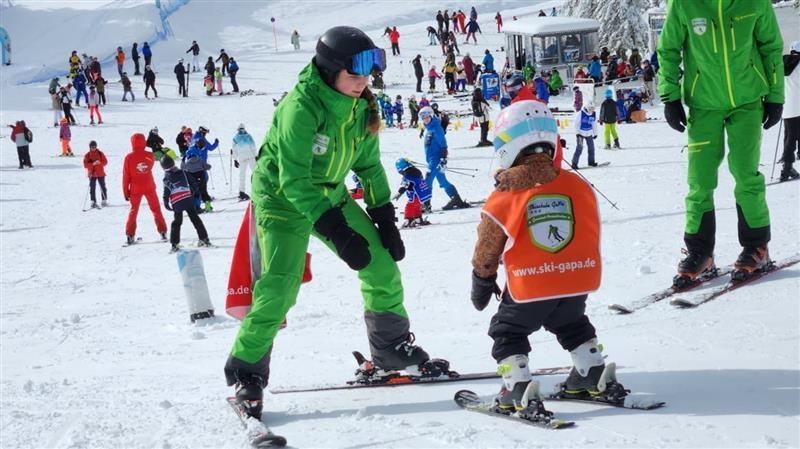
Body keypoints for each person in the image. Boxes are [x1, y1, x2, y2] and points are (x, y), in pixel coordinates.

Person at [224, 26, 448, 421]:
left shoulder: (361, 107)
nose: (364, 81)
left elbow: (369, 166)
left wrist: (384, 217)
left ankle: (390, 348)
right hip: (281, 200)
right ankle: (247, 372)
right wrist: (337, 231)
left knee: (381, 266)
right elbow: (294, 179)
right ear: (331, 70)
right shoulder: (300, 108)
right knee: (280, 287)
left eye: (369, 72)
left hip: (330, 193)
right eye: (355, 72)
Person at [472, 99, 625, 411]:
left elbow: (488, 246)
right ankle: (591, 371)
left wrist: (482, 278)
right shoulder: (577, 184)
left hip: (531, 283)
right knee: (571, 323)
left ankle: (516, 386)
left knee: (507, 331)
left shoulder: (507, 192)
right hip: (576, 280)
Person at [658, 0, 783, 282]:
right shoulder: (685, 4)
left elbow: (771, 47)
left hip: (748, 101)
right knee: (699, 180)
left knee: (746, 174)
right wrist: (670, 96)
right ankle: (700, 252)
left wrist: (776, 95)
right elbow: (668, 50)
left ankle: (756, 246)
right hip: (703, 104)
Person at [420, 106, 469, 210]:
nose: (425, 120)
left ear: (431, 116)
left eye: (427, 117)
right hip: (432, 159)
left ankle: (425, 204)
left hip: (436, 160)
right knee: (443, 181)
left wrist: (443, 159)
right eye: (423, 118)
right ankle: (456, 199)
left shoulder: (436, 128)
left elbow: (443, 145)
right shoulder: (429, 128)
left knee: (427, 180)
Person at [122, 133, 168, 244]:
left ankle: (130, 235)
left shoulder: (129, 157)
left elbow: (126, 176)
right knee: (156, 209)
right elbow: (149, 166)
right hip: (149, 185)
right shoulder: (150, 155)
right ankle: (163, 232)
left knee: (133, 210)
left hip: (135, 188)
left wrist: (125, 192)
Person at [160, 155, 210, 252]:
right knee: (195, 219)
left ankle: (174, 244)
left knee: (177, 223)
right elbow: (193, 183)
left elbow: (167, 191)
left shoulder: (167, 178)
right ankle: (204, 238)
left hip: (177, 203)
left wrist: (166, 202)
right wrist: (195, 192)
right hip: (188, 200)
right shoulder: (183, 172)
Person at [393, 158, 432, 228]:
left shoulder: (407, 176)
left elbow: (405, 186)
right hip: (423, 194)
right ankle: (418, 219)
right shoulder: (416, 171)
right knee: (417, 206)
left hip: (416, 195)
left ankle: (409, 220)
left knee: (410, 206)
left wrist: (399, 193)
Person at [781, 41, 800, 181]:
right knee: (792, 138)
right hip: (798, 107)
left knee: (789, 137)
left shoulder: (782, 64)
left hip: (786, 107)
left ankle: (787, 166)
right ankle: (787, 170)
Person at [232, 123, 256, 201]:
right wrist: (255, 155)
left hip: (243, 158)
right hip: (250, 157)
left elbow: (234, 150)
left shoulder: (236, 138)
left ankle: (241, 192)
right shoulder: (248, 136)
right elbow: (253, 146)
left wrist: (235, 159)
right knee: (255, 172)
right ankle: (256, 188)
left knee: (242, 175)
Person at [571, 104, 598, 168]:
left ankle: (591, 162)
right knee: (579, 148)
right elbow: (576, 124)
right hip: (580, 134)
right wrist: (577, 133)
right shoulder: (581, 113)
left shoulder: (593, 114)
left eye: (592, 109)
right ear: (586, 108)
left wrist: (595, 133)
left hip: (589, 134)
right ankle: (574, 163)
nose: (591, 110)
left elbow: (594, 124)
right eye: (590, 109)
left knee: (591, 148)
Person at [83, 140, 108, 208]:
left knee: (103, 187)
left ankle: (104, 200)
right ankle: (93, 201)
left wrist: (100, 163)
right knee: (92, 188)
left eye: (95, 147)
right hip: (92, 173)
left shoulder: (100, 153)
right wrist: (92, 164)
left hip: (100, 173)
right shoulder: (87, 155)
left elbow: (105, 162)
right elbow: (85, 165)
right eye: (92, 147)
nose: (93, 148)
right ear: (90, 147)